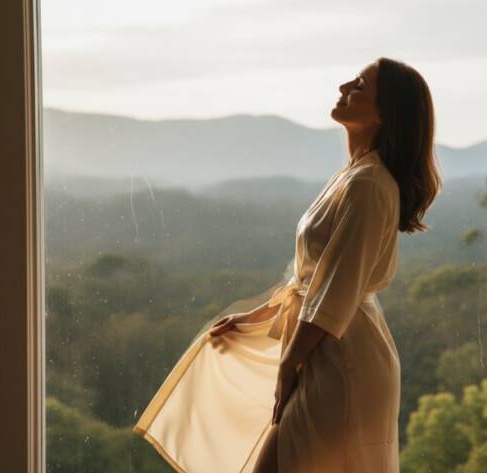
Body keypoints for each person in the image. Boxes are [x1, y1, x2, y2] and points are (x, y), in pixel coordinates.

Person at [133, 57, 441, 473]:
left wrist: (288, 364)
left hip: (343, 360)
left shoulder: (368, 185)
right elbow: (313, 281)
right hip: (325, 349)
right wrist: (257, 316)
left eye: (358, 86)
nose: (343, 87)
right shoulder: (354, 175)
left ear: (383, 113)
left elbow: (335, 293)